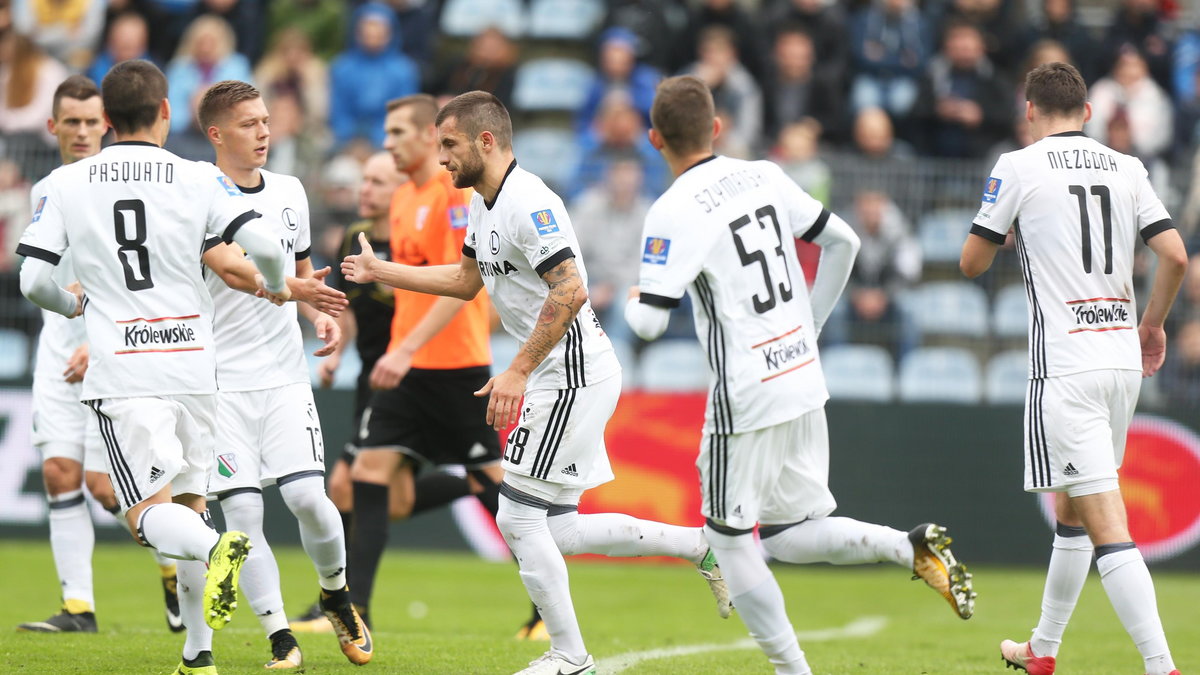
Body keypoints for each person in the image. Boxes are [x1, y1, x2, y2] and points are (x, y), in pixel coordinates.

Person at [341, 90, 731, 675]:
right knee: (559, 529)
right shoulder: (482, 202)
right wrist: (380, 270)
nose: (439, 155)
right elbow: (465, 279)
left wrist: (518, 370)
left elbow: (571, 289)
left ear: (486, 141)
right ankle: (699, 546)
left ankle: (570, 656)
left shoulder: (529, 201)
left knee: (517, 518)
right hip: (559, 375)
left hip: (570, 375)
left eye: (448, 144)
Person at [624, 75, 975, 675]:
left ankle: (793, 670)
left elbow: (649, 326)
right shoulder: (763, 174)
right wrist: (808, 327)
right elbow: (844, 242)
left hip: (747, 394)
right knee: (786, 534)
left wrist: (636, 297)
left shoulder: (671, 210)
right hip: (801, 376)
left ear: (654, 138)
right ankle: (906, 546)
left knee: (731, 542)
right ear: (716, 127)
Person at [15, 59, 284, 675]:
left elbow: (32, 279)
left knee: (148, 519)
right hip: (195, 367)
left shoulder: (71, 183)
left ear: (106, 120)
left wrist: (71, 302)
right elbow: (266, 248)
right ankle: (197, 656)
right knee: (187, 507)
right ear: (166, 111)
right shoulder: (196, 176)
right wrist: (274, 288)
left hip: (126, 370)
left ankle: (220, 549)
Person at [960, 62, 1187, 675]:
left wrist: (1008, 232)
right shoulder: (1128, 166)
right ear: (1087, 113)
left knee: (1107, 522)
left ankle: (1161, 666)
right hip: (1120, 364)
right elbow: (1174, 255)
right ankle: (1043, 649)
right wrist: (1153, 325)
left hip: (1066, 367)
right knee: (1071, 507)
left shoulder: (1018, 165)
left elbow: (970, 263)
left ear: (1028, 110)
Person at [337, 94, 544, 638]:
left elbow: (461, 285)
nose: (389, 143)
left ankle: (546, 610)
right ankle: (356, 612)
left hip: (455, 365)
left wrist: (403, 348)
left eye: (399, 132)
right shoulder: (404, 198)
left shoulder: (453, 199)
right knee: (368, 476)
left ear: (430, 138)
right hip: (406, 369)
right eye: (385, 134)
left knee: (498, 485)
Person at [193, 80, 370, 669]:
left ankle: (336, 594)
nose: (264, 131)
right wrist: (297, 289)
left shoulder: (291, 191)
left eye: (266, 120)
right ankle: (281, 639)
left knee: (308, 499)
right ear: (217, 134)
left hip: (282, 376)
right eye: (248, 124)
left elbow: (297, 272)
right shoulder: (198, 194)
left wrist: (319, 312)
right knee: (242, 519)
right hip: (218, 385)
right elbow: (236, 268)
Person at [15, 74, 183, 635]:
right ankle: (79, 608)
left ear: (107, 124)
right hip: (56, 354)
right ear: (54, 127)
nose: (84, 131)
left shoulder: (117, 186)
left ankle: (169, 562)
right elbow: (41, 275)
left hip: (112, 351)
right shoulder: (45, 190)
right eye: (74, 122)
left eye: (94, 121)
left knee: (105, 486)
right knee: (60, 474)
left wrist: (99, 336)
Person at [287, 151, 412, 634]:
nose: (367, 190)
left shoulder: (411, 236)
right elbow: (346, 303)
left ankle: (349, 606)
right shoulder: (352, 234)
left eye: (379, 181)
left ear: (403, 187)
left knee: (347, 484)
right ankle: (345, 603)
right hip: (369, 376)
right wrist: (338, 345)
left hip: (405, 378)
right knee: (389, 497)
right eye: (365, 181)